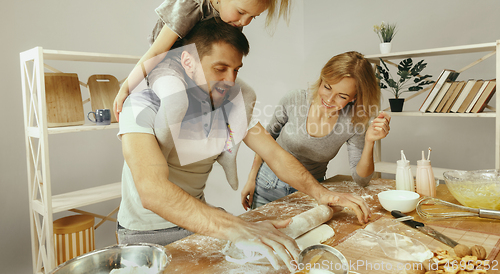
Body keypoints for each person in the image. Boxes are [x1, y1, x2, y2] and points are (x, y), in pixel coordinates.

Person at [117, 20, 371, 271]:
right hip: (146, 235)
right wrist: (237, 226)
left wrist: (322, 193)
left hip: (199, 224)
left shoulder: (229, 106)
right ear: (188, 62)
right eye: (220, 68)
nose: (230, 80)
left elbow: (274, 154)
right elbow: (152, 191)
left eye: (236, 70)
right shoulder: (143, 104)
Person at [113, 0, 298, 121]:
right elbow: (157, 51)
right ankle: (164, 148)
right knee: (176, 100)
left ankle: (225, 153)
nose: (245, 22)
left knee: (247, 95)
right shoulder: (190, 6)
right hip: (171, 64)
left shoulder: (233, 19)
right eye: (241, 12)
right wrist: (127, 88)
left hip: (203, 70)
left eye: (253, 17)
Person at [241, 51, 392, 210]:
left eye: (341, 96)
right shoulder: (295, 100)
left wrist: (369, 141)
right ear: (322, 80)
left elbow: (362, 179)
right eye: (327, 87)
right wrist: (251, 179)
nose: (329, 99)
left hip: (311, 194)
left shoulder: (354, 122)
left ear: (354, 97)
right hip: (267, 186)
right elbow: (266, 140)